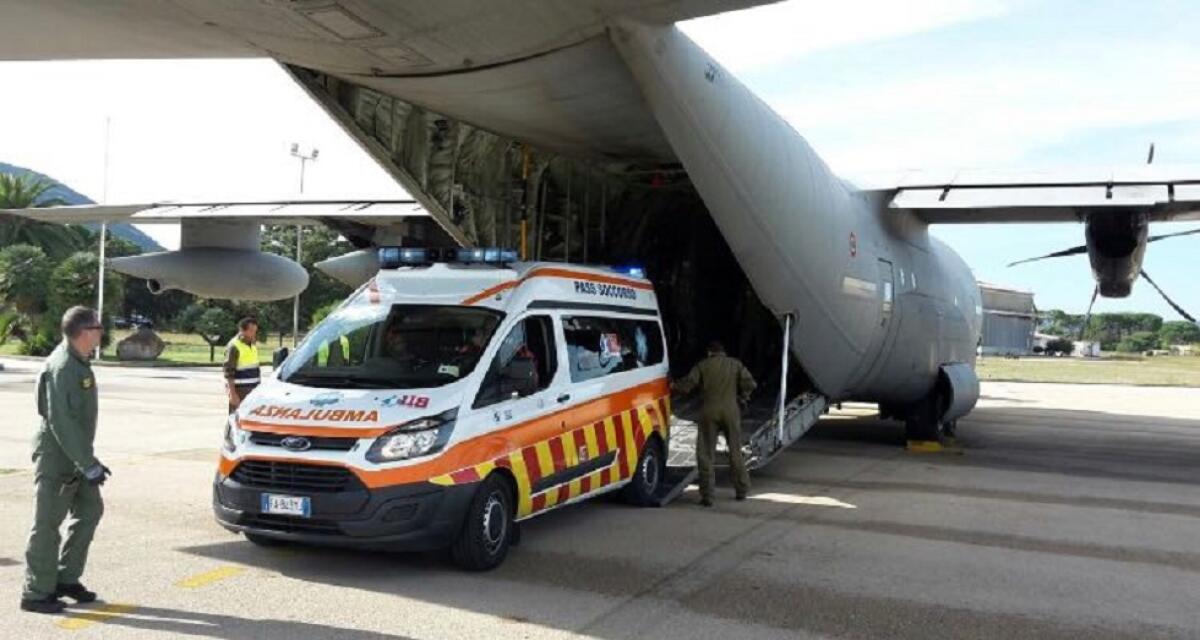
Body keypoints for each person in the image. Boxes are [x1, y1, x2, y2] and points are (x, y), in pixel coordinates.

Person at [22, 306, 111, 614]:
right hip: (57, 458)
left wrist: (90, 460)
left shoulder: (79, 363)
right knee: (47, 524)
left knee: (90, 510)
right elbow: (61, 422)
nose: (102, 331)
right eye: (98, 327)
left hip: (77, 455)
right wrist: (88, 464)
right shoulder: (61, 367)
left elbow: (77, 423)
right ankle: (35, 592)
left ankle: (66, 578)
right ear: (85, 332)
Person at [672, 340, 756, 507]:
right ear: (723, 352)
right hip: (731, 411)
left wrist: (674, 385)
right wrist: (744, 397)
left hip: (709, 411)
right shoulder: (735, 364)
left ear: (709, 352)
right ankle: (741, 490)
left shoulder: (703, 365)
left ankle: (708, 496)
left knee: (705, 454)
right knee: (735, 452)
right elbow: (750, 383)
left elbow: (688, 384)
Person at [223, 317, 260, 413]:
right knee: (236, 420)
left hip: (253, 390)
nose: (254, 334)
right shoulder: (233, 346)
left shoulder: (252, 344)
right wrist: (232, 394)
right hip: (240, 391)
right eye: (251, 331)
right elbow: (228, 372)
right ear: (242, 330)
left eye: (255, 331)